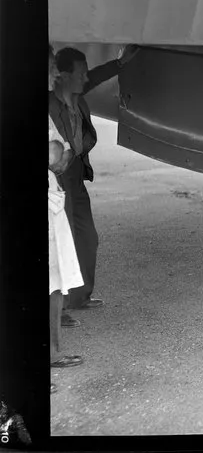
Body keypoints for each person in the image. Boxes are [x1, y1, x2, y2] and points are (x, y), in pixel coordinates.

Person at [48, 44, 140, 326]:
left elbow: (96, 75)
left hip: (75, 176)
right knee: (62, 244)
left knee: (88, 237)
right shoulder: (50, 103)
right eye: (80, 74)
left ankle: (79, 297)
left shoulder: (77, 97)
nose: (86, 79)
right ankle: (57, 310)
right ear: (61, 75)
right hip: (57, 180)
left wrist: (120, 63)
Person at [48, 45, 84, 393]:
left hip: (54, 189)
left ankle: (53, 353)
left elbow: (62, 151)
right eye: (49, 66)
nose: (55, 73)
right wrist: (61, 151)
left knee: (55, 277)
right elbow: (55, 151)